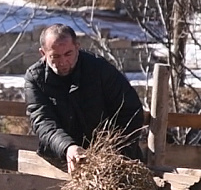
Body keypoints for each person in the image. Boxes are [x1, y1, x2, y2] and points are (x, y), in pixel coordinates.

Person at [24, 24, 144, 173]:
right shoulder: (36, 78)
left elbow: (130, 111)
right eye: (55, 56)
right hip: (63, 159)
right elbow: (43, 121)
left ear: (77, 47)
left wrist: (112, 152)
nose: (63, 62)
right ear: (43, 53)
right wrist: (67, 147)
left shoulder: (99, 69)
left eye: (68, 54)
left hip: (113, 158)